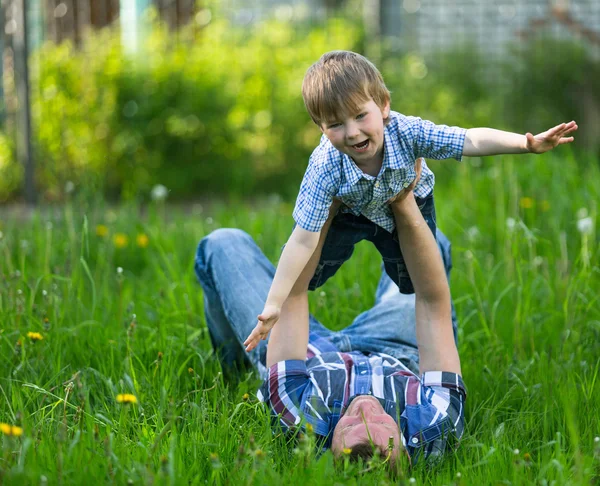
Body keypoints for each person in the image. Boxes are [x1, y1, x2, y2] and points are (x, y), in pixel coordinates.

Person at [243, 50, 577, 353]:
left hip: (408, 201)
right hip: (349, 210)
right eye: (335, 124)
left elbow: (467, 138)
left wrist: (525, 143)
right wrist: (275, 301)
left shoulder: (408, 132)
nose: (353, 132)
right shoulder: (325, 165)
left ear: (384, 105)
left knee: (415, 283)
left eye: (360, 116)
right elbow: (302, 239)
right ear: (320, 127)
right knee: (305, 274)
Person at [194, 185, 465, 465]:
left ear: (328, 449)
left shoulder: (299, 419)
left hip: (307, 352)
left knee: (222, 243)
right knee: (434, 242)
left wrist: (327, 202)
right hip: (395, 348)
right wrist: (403, 199)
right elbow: (433, 302)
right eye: (383, 424)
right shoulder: (435, 424)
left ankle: (236, 367)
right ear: (407, 451)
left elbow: (295, 293)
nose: (364, 407)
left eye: (348, 426)